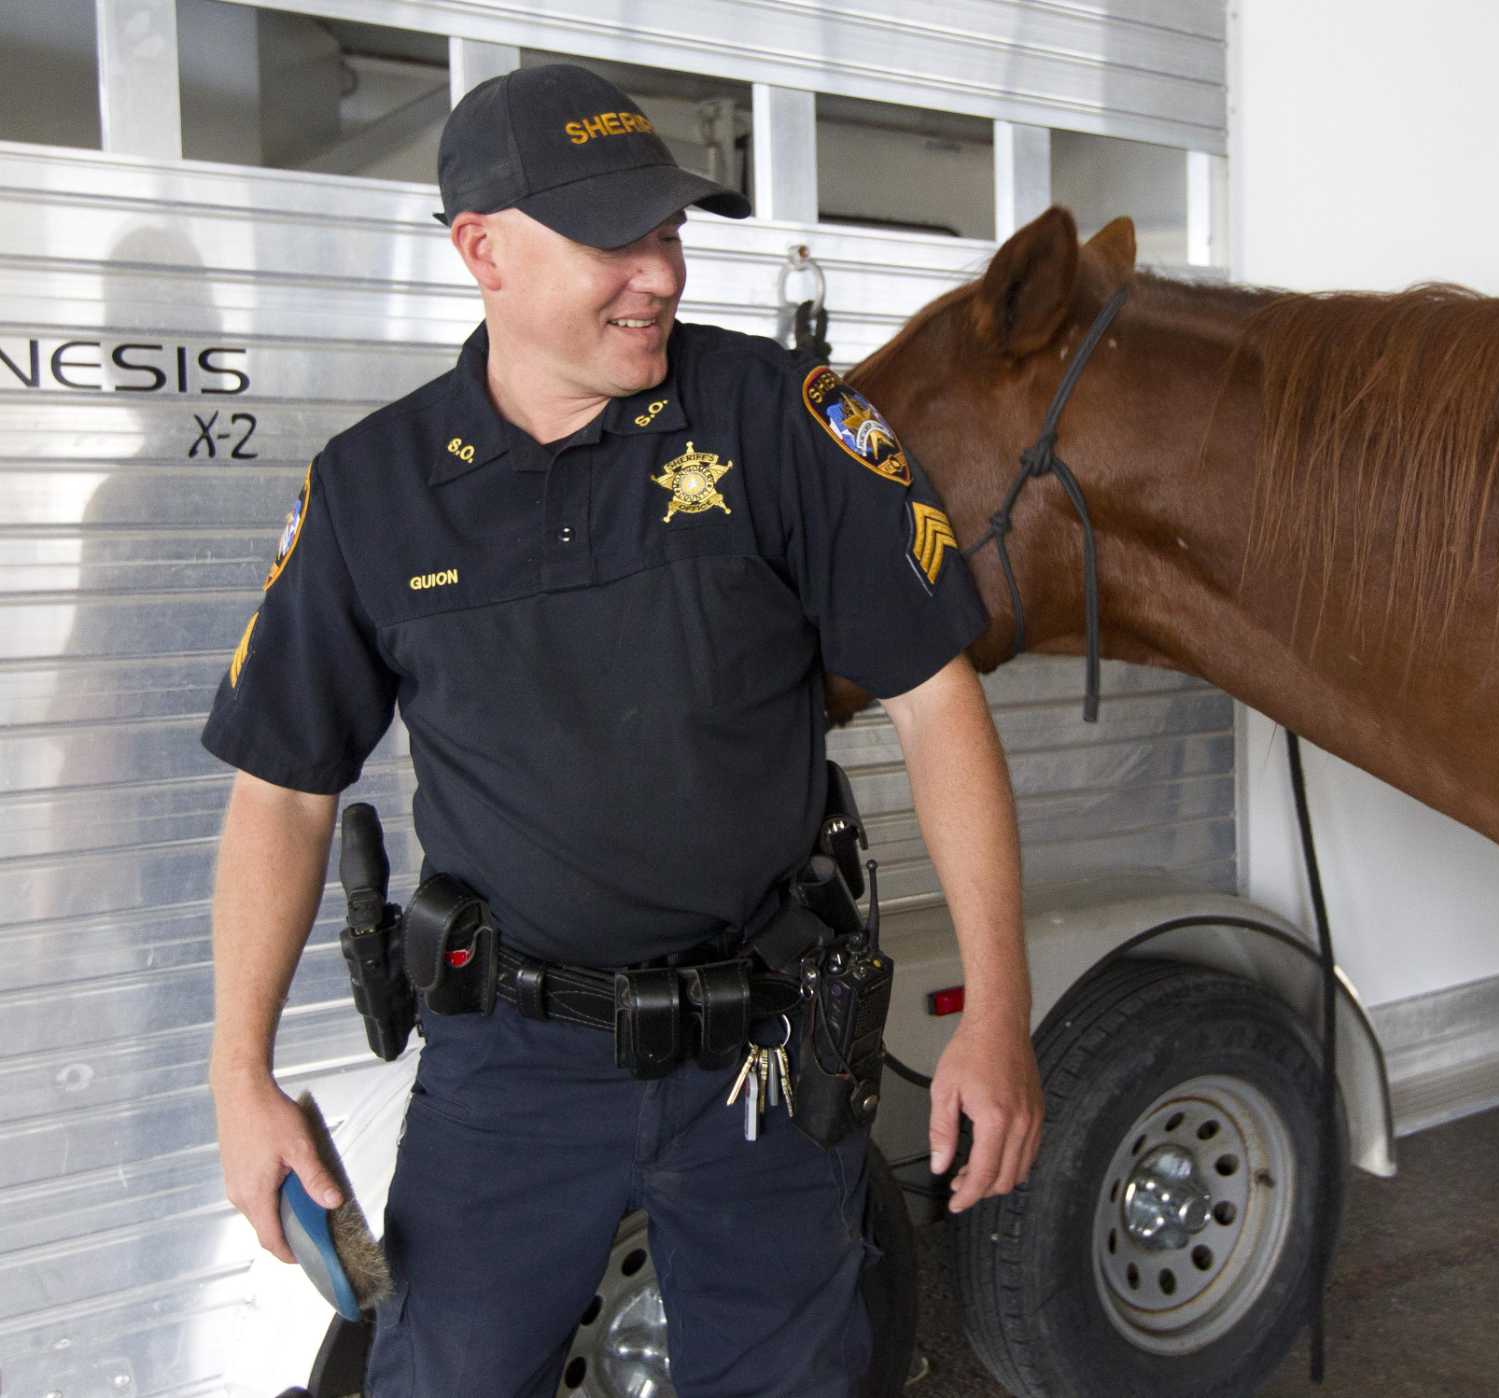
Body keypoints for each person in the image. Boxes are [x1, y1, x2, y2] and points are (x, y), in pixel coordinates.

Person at [203, 62, 1043, 1396]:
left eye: (672, 233)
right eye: (616, 236)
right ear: (482, 249)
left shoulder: (782, 421)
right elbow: (283, 792)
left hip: (761, 1048)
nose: (661, 273)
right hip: (509, 1068)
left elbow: (938, 704)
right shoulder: (371, 494)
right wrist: (238, 1072)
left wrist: (1000, 1009)